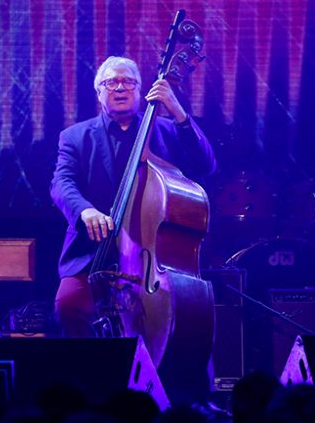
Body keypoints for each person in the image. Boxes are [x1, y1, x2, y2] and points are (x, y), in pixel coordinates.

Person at [49, 56, 216, 337]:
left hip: (154, 257)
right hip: (93, 254)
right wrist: (84, 211)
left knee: (180, 318)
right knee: (68, 305)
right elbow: (61, 182)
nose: (120, 87)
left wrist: (178, 112)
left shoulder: (166, 130)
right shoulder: (75, 136)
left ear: (140, 91)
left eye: (128, 81)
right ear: (98, 91)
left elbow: (206, 165)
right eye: (111, 81)